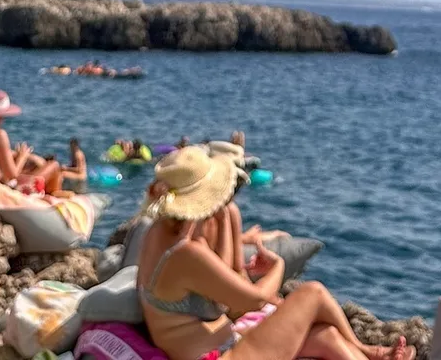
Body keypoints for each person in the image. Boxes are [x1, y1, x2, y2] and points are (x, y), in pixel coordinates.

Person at [137, 148, 412, 360]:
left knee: (327, 336)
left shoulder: (156, 233)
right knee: (312, 293)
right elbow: (251, 302)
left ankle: (367, 350)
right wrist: (277, 267)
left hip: (217, 345)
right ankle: (367, 348)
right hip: (218, 355)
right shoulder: (186, 254)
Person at [0, 91, 60, 195]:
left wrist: (21, 156)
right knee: (54, 166)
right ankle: (53, 197)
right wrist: (22, 156)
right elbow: (12, 175)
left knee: (28, 170)